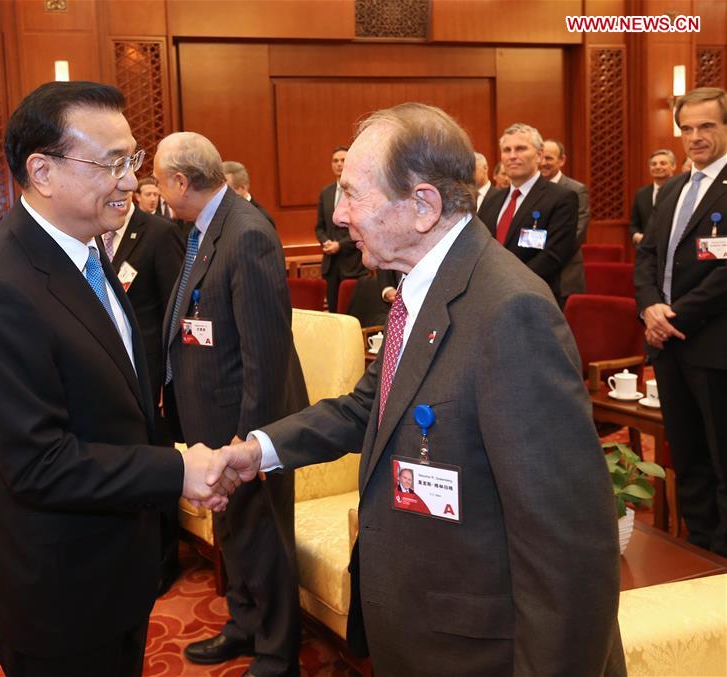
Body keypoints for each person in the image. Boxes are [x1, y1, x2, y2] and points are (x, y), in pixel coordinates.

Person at [212, 103, 625, 676]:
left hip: (478, 650)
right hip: (415, 626)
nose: (341, 217)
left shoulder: (510, 312)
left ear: (424, 205)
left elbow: (568, 546)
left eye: (354, 195)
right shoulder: (420, 286)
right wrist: (259, 450)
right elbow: (369, 406)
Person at [0, 81, 233, 676]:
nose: (131, 180)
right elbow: (37, 463)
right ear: (42, 172)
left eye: (132, 159)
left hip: (115, 568)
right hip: (60, 593)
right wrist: (176, 469)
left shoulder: (82, 249)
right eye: (112, 163)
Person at [155, 131, 308, 676]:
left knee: (263, 539)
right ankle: (245, 624)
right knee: (233, 534)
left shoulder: (246, 233)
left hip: (247, 425)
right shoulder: (202, 230)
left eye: (158, 179)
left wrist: (250, 442)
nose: (157, 191)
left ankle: (276, 652)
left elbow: (264, 353)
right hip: (212, 421)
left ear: (180, 181)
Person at [634, 86, 727, 557]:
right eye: (687, 128)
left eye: (707, 126)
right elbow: (647, 255)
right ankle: (702, 551)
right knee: (688, 458)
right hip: (668, 345)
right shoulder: (670, 189)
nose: (695, 137)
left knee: (721, 459)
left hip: (714, 346)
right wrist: (650, 307)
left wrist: (672, 315)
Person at [96, 186, 185, 592]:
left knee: (157, 464)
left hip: (151, 378)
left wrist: (168, 379)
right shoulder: (93, 232)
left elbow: (174, 311)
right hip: (110, 376)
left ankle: (165, 558)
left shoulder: (158, 233)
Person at [478, 123, 578, 303]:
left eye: (520, 148)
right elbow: (479, 245)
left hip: (534, 297)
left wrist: (509, 283)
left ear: (539, 155)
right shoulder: (492, 200)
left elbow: (553, 256)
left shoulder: (561, 198)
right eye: (507, 150)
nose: (512, 156)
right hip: (489, 295)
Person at [539, 138, 591, 305]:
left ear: (562, 160)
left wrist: (544, 259)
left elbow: (578, 233)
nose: (543, 163)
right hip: (534, 274)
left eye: (549, 158)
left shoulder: (576, 190)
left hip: (564, 275)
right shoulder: (532, 190)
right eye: (541, 157)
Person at [316, 145, 367, 311]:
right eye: (335, 161)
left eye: (343, 160)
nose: (339, 164)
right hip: (330, 266)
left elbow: (362, 228)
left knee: (354, 312)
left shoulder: (359, 192)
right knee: (333, 313)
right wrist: (326, 242)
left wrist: (340, 245)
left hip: (352, 265)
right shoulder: (326, 192)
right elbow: (319, 227)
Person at [629, 149, 677, 246]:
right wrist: (636, 235)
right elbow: (634, 224)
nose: (657, 167)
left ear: (673, 166)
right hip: (647, 251)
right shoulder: (641, 193)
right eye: (653, 164)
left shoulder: (681, 190)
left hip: (674, 248)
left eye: (663, 163)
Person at [222, 160, 277, 228]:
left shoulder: (261, 218)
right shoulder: (219, 215)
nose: (220, 195)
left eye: (225, 190)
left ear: (243, 188)